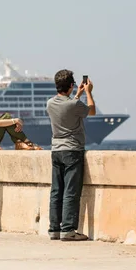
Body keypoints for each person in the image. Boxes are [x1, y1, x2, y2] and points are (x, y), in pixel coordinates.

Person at [46, 70, 96, 242]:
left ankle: (54, 229)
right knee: (71, 191)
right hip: (72, 150)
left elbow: (68, 106)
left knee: (56, 191)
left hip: (56, 150)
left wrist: (77, 94)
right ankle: (68, 229)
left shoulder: (50, 103)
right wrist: (88, 92)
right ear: (71, 85)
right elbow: (91, 111)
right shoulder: (74, 105)